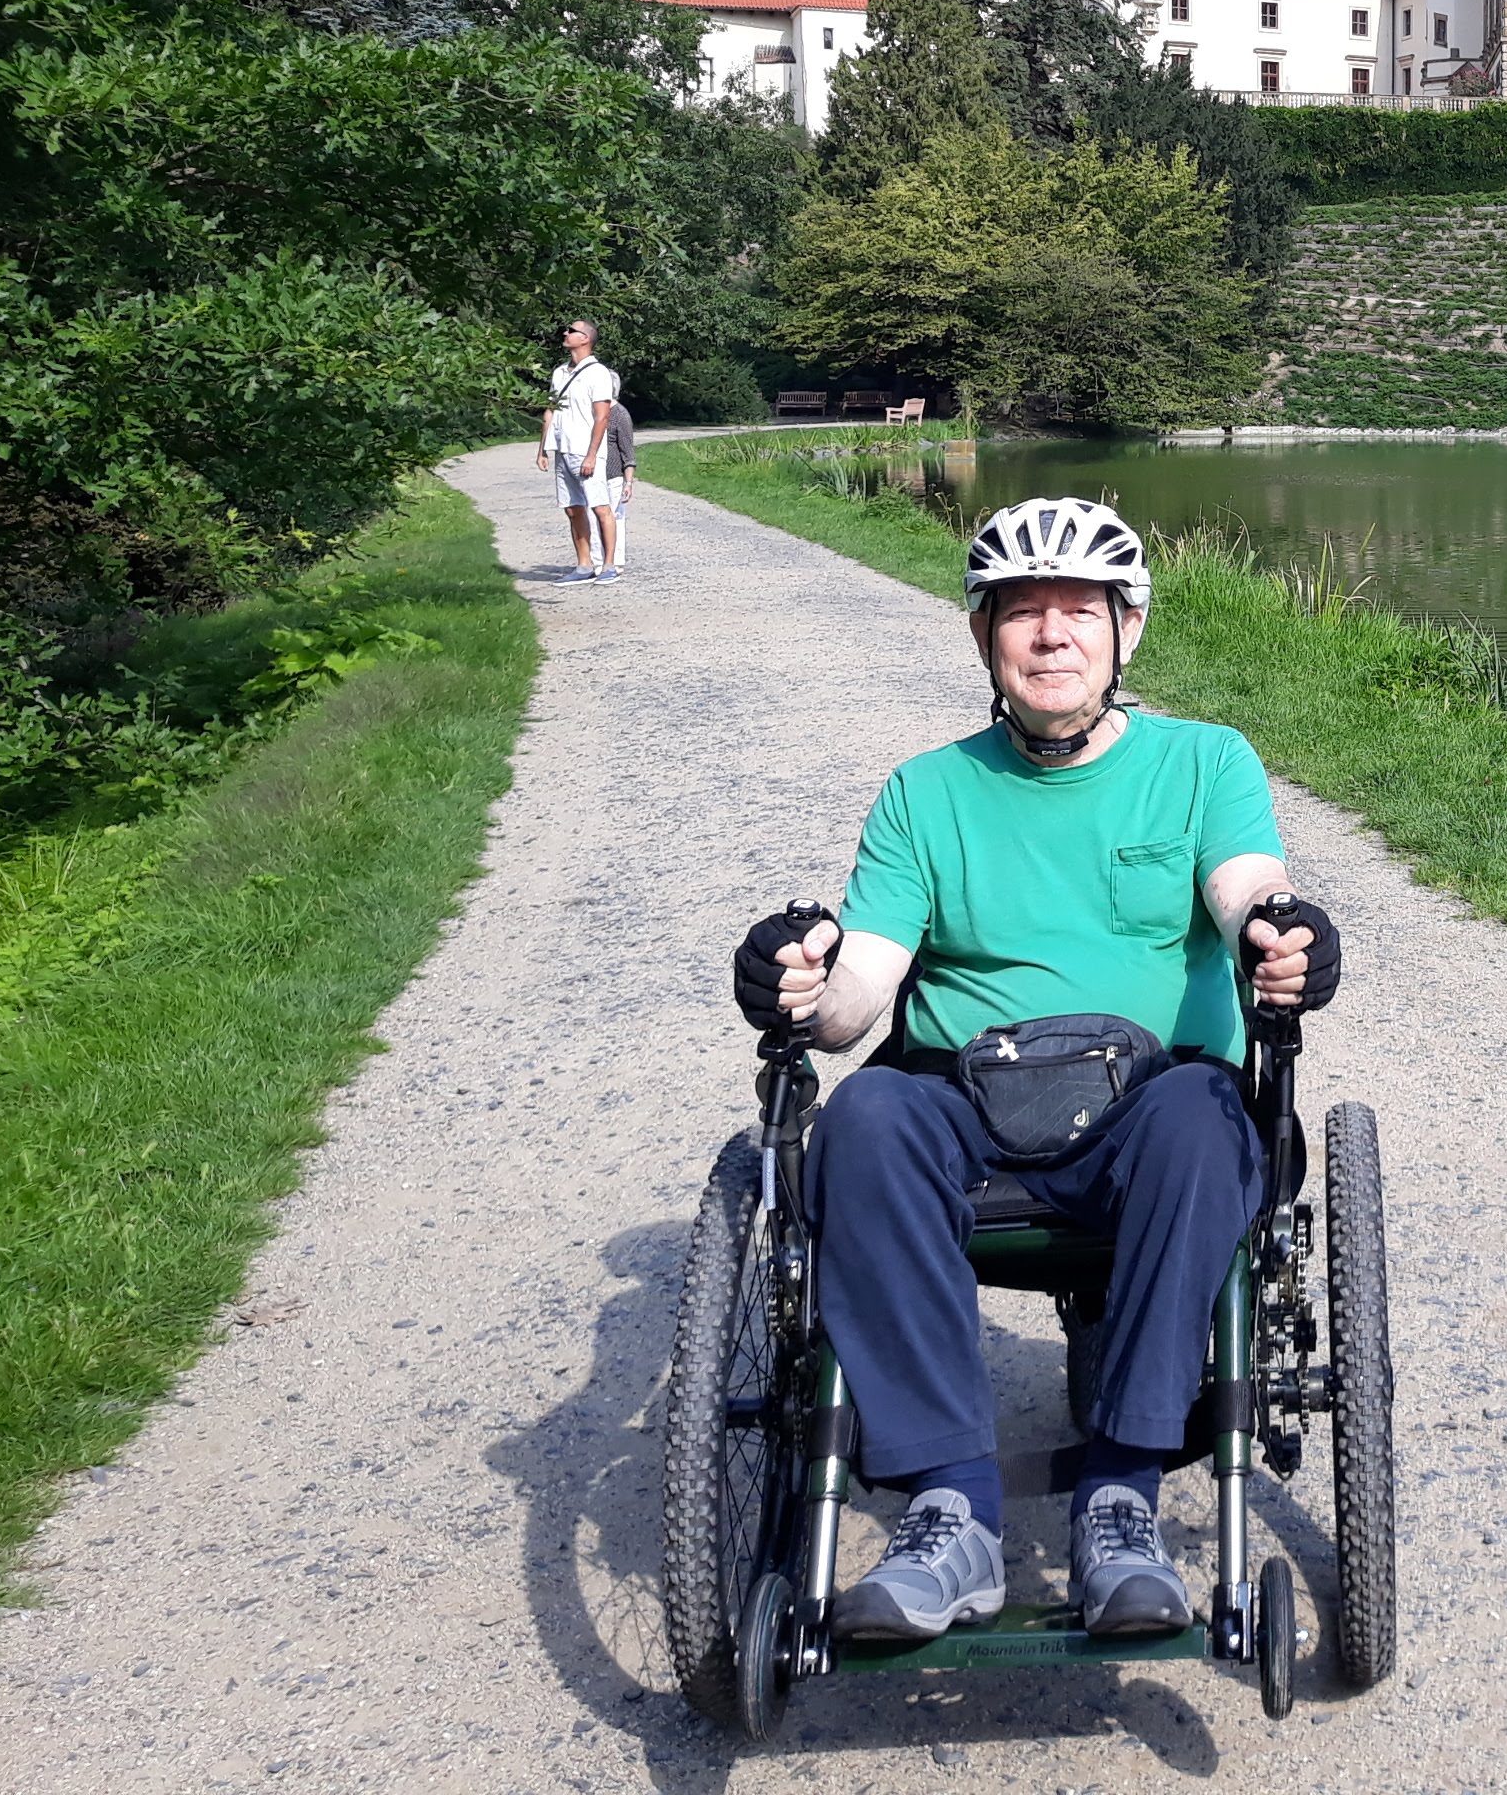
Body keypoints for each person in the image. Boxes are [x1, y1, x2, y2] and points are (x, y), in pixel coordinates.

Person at [730, 497, 1342, 1645]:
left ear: (1127, 631)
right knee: (863, 1119)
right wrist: (805, 992)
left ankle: (1122, 1498)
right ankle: (951, 1512)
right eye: (1023, 613)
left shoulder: (1205, 762)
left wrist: (1274, 927)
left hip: (1146, 1112)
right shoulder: (927, 790)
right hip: (970, 1104)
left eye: (1079, 612)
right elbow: (867, 980)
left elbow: (1244, 877)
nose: (1052, 636)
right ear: (983, 637)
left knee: (1209, 1118)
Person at [535, 323, 622, 579]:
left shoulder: (598, 373)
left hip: (585, 451)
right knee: (572, 508)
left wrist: (592, 454)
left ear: (585, 339)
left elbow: (602, 416)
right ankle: (583, 565)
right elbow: (550, 410)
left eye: (571, 330)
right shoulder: (560, 372)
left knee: (600, 506)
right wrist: (542, 449)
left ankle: (608, 565)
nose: (565, 333)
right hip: (563, 449)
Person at [601, 398, 638, 572]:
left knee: (615, 517)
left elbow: (628, 453)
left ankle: (615, 560)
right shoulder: (592, 410)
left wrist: (628, 482)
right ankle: (598, 560)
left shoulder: (620, 415)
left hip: (614, 476)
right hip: (593, 475)